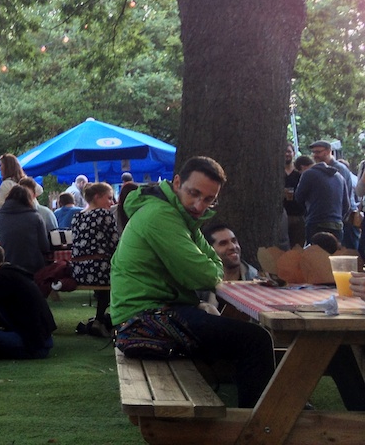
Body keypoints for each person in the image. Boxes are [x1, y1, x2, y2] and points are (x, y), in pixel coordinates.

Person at [110, 156, 275, 407]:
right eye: (194, 193)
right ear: (177, 183)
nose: (199, 205)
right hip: (143, 320)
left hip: (151, 313)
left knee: (246, 338)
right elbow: (206, 275)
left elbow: (210, 263)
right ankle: (258, 426)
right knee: (256, 340)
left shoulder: (180, 216)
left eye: (209, 199)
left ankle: (269, 407)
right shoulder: (161, 216)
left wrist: (211, 265)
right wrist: (211, 266)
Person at [70, 181, 119, 334]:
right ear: (97, 197)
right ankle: (102, 319)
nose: (112, 203)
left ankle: (100, 318)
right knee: (118, 272)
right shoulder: (104, 214)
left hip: (78, 270)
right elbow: (114, 244)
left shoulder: (77, 216)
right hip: (98, 270)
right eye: (109, 198)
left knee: (105, 268)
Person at [296, 142, 351, 242]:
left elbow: (299, 197)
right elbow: (346, 205)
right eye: (313, 152)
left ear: (328, 151)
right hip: (337, 225)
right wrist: (336, 218)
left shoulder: (309, 174)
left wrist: (310, 213)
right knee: (334, 256)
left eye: (318, 152)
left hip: (316, 223)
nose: (315, 155)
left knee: (316, 256)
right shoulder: (339, 176)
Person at [0, 183, 50, 274]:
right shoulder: (35, 217)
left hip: (10, 265)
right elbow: (44, 246)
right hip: (33, 266)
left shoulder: (0, 218)